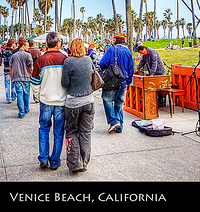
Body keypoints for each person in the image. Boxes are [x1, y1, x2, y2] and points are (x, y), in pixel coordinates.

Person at [31, 31, 67, 170]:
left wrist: (39, 96)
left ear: (46, 44)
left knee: (44, 129)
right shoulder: (65, 59)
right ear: (58, 43)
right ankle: (55, 161)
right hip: (61, 101)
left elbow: (35, 82)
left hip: (46, 100)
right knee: (58, 132)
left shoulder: (41, 60)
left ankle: (44, 158)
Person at [61, 38, 95, 173]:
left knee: (71, 132)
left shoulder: (68, 62)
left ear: (71, 48)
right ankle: (85, 162)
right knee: (86, 132)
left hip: (73, 102)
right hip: (89, 101)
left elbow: (64, 83)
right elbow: (92, 77)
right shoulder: (88, 60)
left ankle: (75, 163)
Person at [99, 35, 134, 134]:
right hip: (124, 81)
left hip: (112, 80)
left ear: (117, 40)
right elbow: (131, 68)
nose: (112, 41)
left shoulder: (111, 49)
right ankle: (119, 126)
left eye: (114, 39)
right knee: (119, 103)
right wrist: (128, 81)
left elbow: (102, 63)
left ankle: (114, 121)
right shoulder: (128, 52)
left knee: (107, 100)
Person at [9, 37, 34, 118]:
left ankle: (21, 112)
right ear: (22, 46)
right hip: (26, 77)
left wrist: (11, 76)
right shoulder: (28, 55)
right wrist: (32, 75)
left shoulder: (14, 56)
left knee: (19, 94)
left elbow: (11, 68)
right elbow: (31, 67)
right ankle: (26, 109)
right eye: (26, 46)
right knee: (26, 94)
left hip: (17, 77)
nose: (28, 47)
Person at [2, 39, 16, 103]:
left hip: (6, 69)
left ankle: (8, 98)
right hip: (12, 69)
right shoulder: (13, 51)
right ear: (12, 44)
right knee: (13, 83)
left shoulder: (4, 51)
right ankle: (13, 96)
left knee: (7, 84)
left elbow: (3, 60)